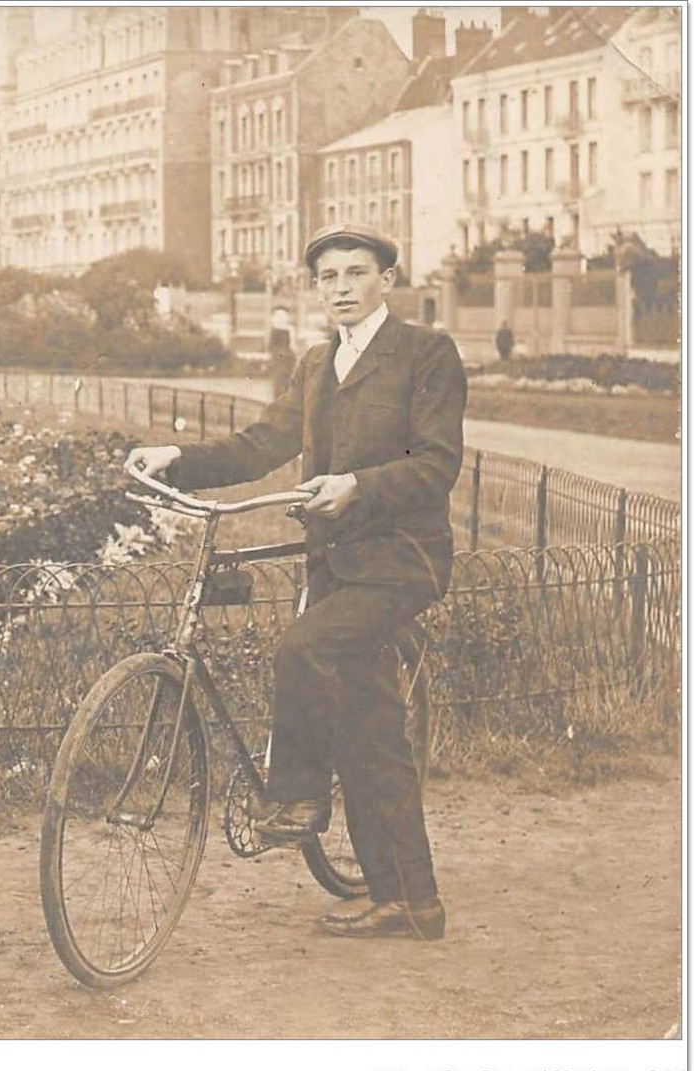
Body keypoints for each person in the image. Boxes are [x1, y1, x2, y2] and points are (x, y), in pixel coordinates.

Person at [127, 222, 466, 941]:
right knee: (370, 728)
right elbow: (260, 443)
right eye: (327, 277)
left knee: (303, 649)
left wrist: (356, 485)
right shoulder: (316, 364)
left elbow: (436, 465)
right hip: (337, 562)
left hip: (400, 556)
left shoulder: (424, 354)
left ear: (385, 281)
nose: (339, 287)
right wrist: (176, 457)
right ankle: (410, 899)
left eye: (354, 273)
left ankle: (297, 798)